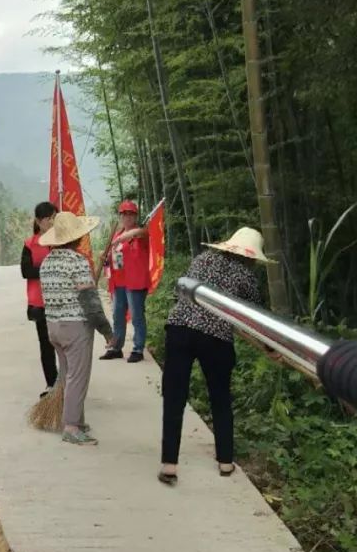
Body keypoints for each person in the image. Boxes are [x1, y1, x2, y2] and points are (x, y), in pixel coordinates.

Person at [158, 228, 268, 485]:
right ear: (251, 256)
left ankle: (169, 464)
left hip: (179, 328)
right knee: (220, 398)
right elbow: (253, 319)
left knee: (174, 398)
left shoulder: (202, 259)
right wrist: (270, 348)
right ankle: (225, 462)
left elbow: (183, 291)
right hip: (216, 338)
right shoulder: (246, 276)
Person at [39, 213, 114, 445]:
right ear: (78, 238)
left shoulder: (47, 262)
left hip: (53, 326)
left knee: (67, 373)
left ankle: (76, 420)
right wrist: (107, 332)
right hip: (75, 327)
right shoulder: (77, 262)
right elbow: (90, 302)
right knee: (77, 377)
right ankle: (71, 426)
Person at [100, 200, 150, 363]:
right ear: (120, 216)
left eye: (130, 214)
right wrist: (105, 258)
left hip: (135, 281)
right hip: (119, 281)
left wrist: (124, 236)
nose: (127, 217)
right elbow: (115, 258)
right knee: (117, 315)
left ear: (135, 216)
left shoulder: (141, 232)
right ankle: (116, 348)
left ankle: (137, 349)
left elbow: (142, 233)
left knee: (136, 316)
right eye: (124, 214)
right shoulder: (117, 233)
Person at [21, 201, 59, 395]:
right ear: (38, 221)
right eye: (48, 219)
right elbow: (26, 270)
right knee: (46, 344)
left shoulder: (62, 240)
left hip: (62, 301)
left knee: (65, 343)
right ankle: (51, 383)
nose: (52, 222)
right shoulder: (30, 244)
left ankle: (67, 382)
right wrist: (49, 268)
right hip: (40, 302)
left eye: (54, 218)